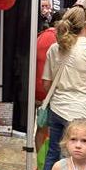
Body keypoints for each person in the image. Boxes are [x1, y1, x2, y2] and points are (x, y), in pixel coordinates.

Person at [39, 6, 86, 170]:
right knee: (77, 157)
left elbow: (46, 83)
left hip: (57, 109)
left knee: (53, 151)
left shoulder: (55, 48)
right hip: (82, 112)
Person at [35, 9, 65, 161]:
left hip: (37, 89)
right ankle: (47, 165)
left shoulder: (40, 35)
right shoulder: (60, 40)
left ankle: (40, 163)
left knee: (41, 128)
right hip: (51, 91)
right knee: (54, 134)